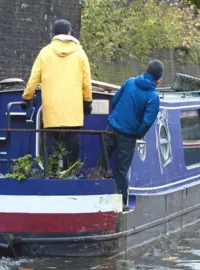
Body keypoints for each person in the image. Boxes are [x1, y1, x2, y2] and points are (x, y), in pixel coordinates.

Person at [21, 19, 92, 171]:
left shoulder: (45, 53)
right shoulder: (80, 53)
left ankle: (52, 176)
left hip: (52, 112)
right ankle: (71, 175)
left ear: (54, 34)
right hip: (73, 113)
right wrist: (87, 102)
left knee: (51, 148)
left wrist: (26, 97)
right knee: (72, 150)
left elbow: (34, 78)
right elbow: (87, 82)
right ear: (69, 33)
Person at [99, 60, 163, 209]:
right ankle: (120, 203)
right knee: (122, 169)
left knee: (102, 161)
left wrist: (116, 118)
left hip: (112, 127)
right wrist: (137, 134)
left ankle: (95, 194)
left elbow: (115, 100)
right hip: (128, 135)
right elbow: (147, 122)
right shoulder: (153, 97)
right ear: (158, 77)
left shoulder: (129, 82)